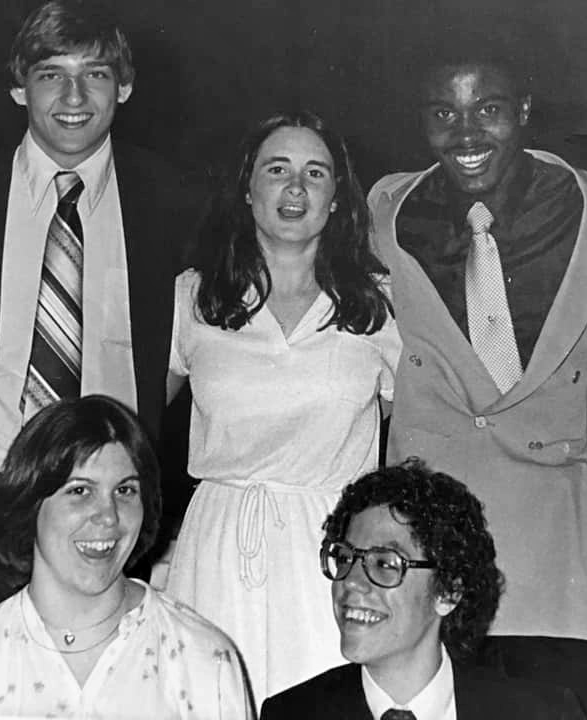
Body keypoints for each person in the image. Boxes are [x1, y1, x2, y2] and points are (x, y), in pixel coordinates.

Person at [367, 49, 587, 719]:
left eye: (487, 111)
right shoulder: (386, 211)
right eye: (443, 114)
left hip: (560, 529)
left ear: (523, 112)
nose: (465, 136)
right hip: (435, 530)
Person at [0, 0, 197, 656]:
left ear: (124, 87)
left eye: (97, 73)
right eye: (52, 74)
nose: (75, 96)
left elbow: (183, 353)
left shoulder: (173, 198)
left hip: (108, 507)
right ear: (20, 85)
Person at [165, 110, 402, 705]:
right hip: (218, 541)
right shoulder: (193, 296)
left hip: (332, 550)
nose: (295, 188)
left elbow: (423, 429)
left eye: (315, 173)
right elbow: (132, 423)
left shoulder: (382, 303)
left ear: (337, 199)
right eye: (277, 169)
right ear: (248, 189)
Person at [0, 395, 252, 718]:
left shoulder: (204, 662)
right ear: (30, 504)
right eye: (80, 491)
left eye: (125, 490)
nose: (108, 516)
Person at [259, 459, 586, 719]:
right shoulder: (290, 713)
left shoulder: (543, 713)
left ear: (448, 591)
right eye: (345, 558)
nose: (351, 582)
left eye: (385, 564)